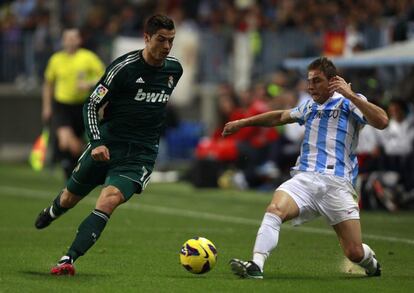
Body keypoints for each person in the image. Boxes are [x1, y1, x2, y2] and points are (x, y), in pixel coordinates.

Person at [34, 15, 183, 275]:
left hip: (139, 154)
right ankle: (53, 210)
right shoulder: (123, 68)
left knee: (108, 199)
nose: (167, 47)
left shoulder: (174, 69)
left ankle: (68, 258)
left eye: (171, 41)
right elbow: (92, 103)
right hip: (107, 144)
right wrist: (96, 141)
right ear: (146, 38)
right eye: (161, 40)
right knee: (69, 198)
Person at [222, 57, 388, 279]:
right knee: (274, 210)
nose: (310, 87)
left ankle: (371, 263)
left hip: (337, 184)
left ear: (333, 82)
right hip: (305, 180)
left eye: (317, 81)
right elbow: (280, 116)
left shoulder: (350, 102)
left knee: (354, 252)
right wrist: (243, 122)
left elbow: (382, 121)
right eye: (309, 81)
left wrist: (349, 94)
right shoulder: (310, 106)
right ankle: (256, 264)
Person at [42, 28, 105, 178]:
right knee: (65, 140)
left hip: (83, 106)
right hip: (62, 105)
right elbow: (48, 84)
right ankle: (75, 166)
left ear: (79, 40)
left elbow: (104, 77)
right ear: (63, 41)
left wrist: (89, 84)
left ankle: (79, 165)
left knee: (72, 145)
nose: (70, 41)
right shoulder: (56, 59)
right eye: (67, 38)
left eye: (73, 38)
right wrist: (46, 107)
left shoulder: (88, 57)